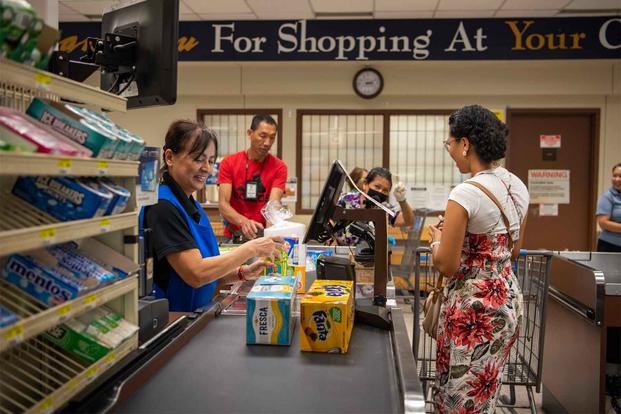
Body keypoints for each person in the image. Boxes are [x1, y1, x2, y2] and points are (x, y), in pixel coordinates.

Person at [427, 105, 529, 413]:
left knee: (458, 397)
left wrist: (437, 241)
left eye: (450, 143)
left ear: (466, 144)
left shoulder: (466, 193)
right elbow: (513, 249)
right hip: (507, 302)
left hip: (473, 311)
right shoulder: (517, 186)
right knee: (483, 394)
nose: (450, 150)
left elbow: (447, 264)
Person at [142, 120, 286, 312]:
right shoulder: (163, 207)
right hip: (174, 319)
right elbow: (196, 274)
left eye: (210, 161)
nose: (207, 169)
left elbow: (209, 272)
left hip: (196, 312)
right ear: (170, 157)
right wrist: (251, 248)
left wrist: (242, 273)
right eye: (198, 159)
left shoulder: (190, 204)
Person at [218, 114, 288, 241]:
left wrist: (270, 236)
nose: (267, 143)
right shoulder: (229, 162)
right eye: (263, 136)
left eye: (272, 138)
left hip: (263, 235)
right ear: (250, 133)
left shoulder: (279, 167)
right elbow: (223, 205)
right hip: (234, 235)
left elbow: (273, 206)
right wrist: (244, 222)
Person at [333, 167, 414, 246]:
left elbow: (408, 221)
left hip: (371, 256)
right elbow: (327, 220)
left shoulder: (384, 209)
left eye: (385, 190)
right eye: (377, 187)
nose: (380, 192)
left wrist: (402, 200)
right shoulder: (346, 199)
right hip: (341, 253)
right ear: (365, 184)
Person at [596, 163, 621, 252]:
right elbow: (603, 223)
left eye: (620, 176)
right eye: (614, 176)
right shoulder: (607, 197)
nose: (617, 179)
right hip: (610, 245)